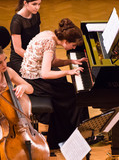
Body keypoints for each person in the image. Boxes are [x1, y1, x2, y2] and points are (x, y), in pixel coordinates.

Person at [20, 18, 89, 149]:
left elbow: (52, 62)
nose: (73, 48)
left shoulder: (50, 35)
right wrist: (68, 73)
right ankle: (68, 137)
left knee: (67, 87)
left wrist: (71, 62)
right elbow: (46, 74)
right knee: (74, 94)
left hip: (33, 77)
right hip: (34, 82)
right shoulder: (50, 43)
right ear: (66, 41)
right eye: (73, 45)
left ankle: (65, 135)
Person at [9, 0, 42, 74]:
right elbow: (18, 49)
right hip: (20, 58)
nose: (37, 7)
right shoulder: (17, 21)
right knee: (41, 77)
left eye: (39, 4)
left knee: (55, 74)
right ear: (25, 3)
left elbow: (37, 37)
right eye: (34, 4)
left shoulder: (36, 15)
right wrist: (35, 59)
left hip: (33, 53)